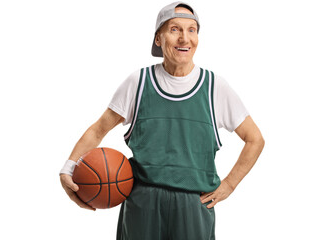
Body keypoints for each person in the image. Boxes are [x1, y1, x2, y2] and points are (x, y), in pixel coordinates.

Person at [60, 1, 265, 239]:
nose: (184, 38)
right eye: (175, 29)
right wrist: (68, 167)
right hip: (142, 202)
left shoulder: (215, 87)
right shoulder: (138, 82)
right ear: (158, 38)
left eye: (192, 30)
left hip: (194, 203)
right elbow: (98, 130)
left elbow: (255, 139)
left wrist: (229, 184)